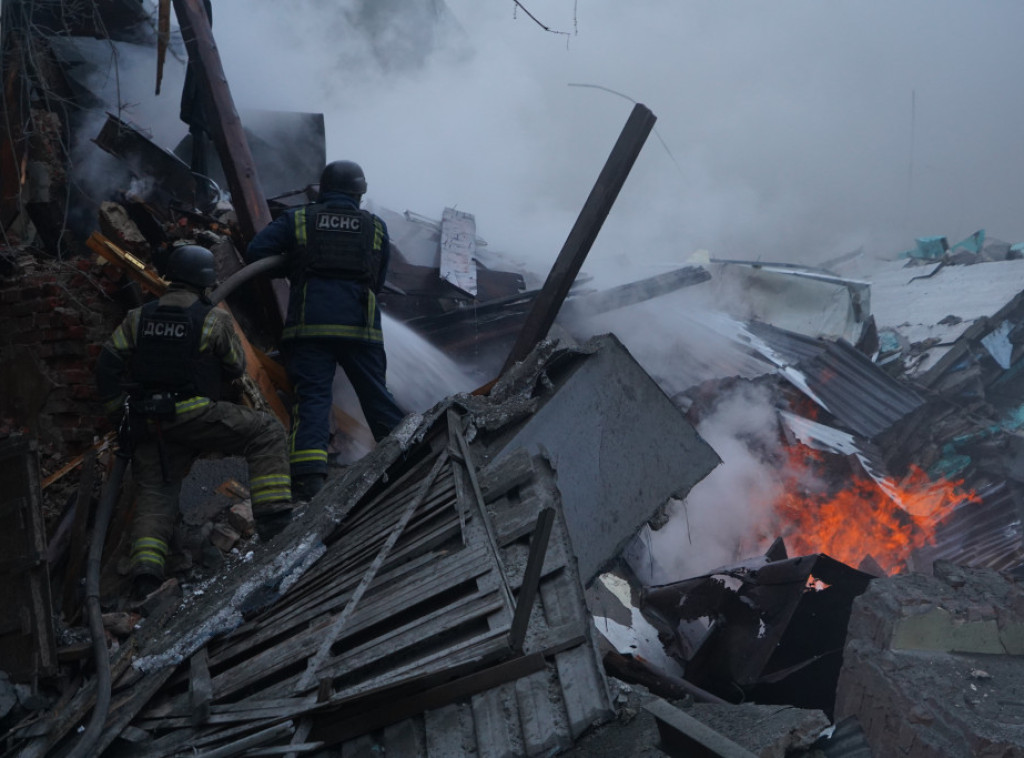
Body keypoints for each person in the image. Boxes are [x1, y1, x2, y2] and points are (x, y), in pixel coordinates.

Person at [95, 245, 294, 600]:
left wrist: (116, 411)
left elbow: (107, 363)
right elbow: (235, 367)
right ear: (205, 282)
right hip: (195, 413)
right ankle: (275, 520)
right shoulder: (212, 319)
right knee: (266, 432)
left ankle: (146, 575)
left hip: (149, 423)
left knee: (156, 497)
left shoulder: (139, 317)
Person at [245, 160, 406, 500]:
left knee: (314, 400)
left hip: (310, 328)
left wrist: (295, 262)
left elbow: (256, 252)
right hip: (360, 331)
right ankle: (408, 460)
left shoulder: (299, 219)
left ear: (324, 189)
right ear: (358, 193)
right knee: (376, 396)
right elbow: (377, 279)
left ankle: (309, 479)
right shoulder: (374, 227)